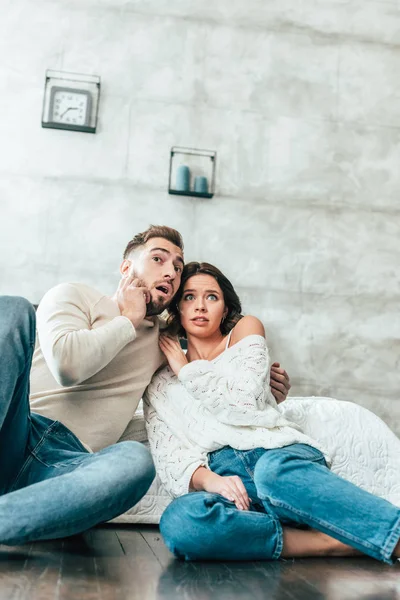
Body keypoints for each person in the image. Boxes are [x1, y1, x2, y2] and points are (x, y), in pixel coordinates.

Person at [0, 226, 289, 546]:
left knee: (137, 462)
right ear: (126, 268)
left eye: (178, 268)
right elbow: (68, 367)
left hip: (69, 462)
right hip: (17, 431)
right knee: (13, 309)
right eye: (158, 259)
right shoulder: (73, 296)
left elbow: (208, 380)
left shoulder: (163, 342)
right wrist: (129, 319)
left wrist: (265, 389)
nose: (170, 273)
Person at [144, 261, 400, 565]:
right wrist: (212, 481)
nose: (200, 306)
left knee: (271, 473)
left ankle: (393, 536)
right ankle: (331, 542)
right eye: (189, 297)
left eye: (211, 297)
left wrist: (186, 370)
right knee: (180, 521)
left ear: (225, 309)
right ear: (177, 309)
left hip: (277, 458)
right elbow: (170, 455)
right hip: (228, 481)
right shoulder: (160, 381)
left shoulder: (243, 332)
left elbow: (247, 402)